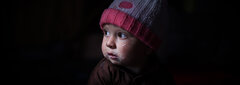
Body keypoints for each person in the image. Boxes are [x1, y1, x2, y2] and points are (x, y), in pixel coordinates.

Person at [88, 0, 175, 85]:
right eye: (106, 33)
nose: (109, 43)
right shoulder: (105, 71)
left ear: (147, 47)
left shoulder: (160, 76)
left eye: (121, 35)